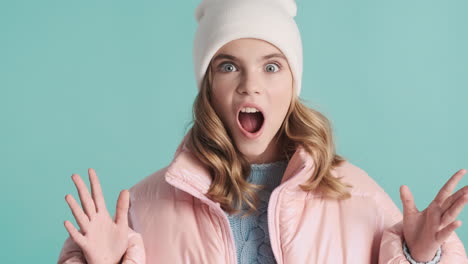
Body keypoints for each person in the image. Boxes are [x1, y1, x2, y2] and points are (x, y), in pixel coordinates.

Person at [57, 0, 468, 263]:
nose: (250, 85)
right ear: (208, 88)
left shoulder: (355, 195)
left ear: (293, 84)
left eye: (271, 67)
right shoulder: (145, 206)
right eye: (228, 65)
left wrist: (420, 257)